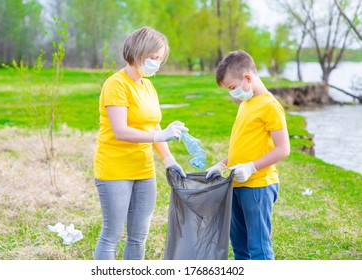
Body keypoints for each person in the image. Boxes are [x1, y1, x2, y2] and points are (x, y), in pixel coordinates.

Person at [93, 26, 188, 260]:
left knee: (138, 237)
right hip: (115, 169)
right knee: (112, 235)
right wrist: (159, 136)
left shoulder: (148, 86)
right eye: (153, 58)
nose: (157, 63)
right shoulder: (116, 84)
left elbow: (154, 125)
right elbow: (121, 131)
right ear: (137, 53)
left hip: (144, 169)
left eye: (160, 58)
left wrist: (169, 160)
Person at [206, 50, 290, 260]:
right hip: (237, 184)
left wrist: (251, 167)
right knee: (240, 248)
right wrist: (222, 165)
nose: (232, 93)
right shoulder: (245, 104)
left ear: (248, 78)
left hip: (258, 186)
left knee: (258, 249)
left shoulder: (270, 106)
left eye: (233, 88)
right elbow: (242, 145)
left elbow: (283, 149)